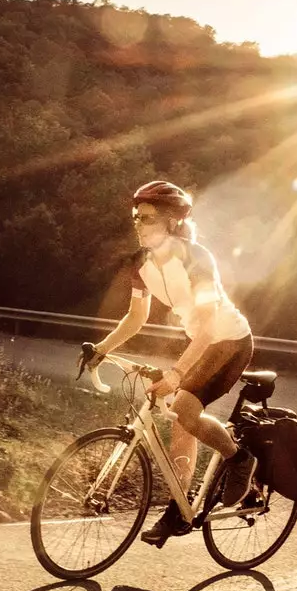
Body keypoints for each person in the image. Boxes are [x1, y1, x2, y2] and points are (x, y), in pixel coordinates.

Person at [79, 180, 259, 546]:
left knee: (183, 408)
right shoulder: (141, 264)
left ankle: (239, 458)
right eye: (135, 217)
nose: (137, 224)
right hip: (203, 343)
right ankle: (181, 504)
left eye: (146, 218)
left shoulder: (198, 259)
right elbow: (135, 317)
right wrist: (101, 348)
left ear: (172, 222)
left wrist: (177, 374)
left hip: (230, 341)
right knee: (180, 419)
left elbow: (209, 326)